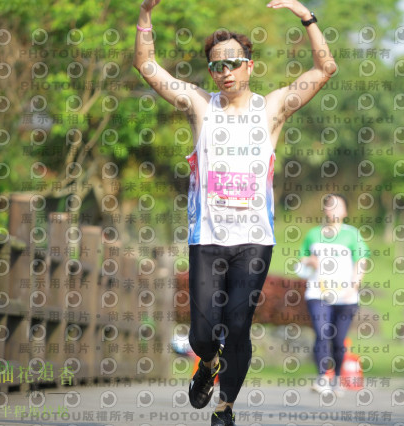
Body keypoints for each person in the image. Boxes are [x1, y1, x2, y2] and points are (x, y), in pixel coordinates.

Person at [134, 1, 335, 425]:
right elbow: (147, 66)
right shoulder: (200, 105)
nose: (225, 72)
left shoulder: (272, 108)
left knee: (239, 324)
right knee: (203, 333)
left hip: (254, 240)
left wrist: (307, 17)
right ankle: (206, 363)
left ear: (249, 66)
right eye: (216, 66)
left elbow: (325, 69)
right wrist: (145, 16)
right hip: (206, 238)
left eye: (233, 64)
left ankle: (224, 408)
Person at [298, 194, 368, 397]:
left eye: (338, 206)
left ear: (345, 211)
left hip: (345, 297)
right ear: (325, 210)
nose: (333, 209)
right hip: (317, 293)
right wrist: (308, 262)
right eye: (330, 206)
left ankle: (336, 379)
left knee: (338, 340)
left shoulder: (352, 234)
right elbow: (301, 264)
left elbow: (361, 260)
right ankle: (322, 378)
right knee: (322, 333)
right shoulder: (313, 234)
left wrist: (354, 285)